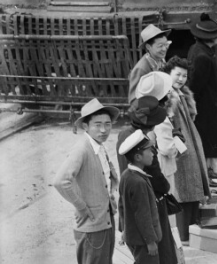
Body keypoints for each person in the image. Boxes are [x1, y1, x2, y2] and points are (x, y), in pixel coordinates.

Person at [117, 78, 177, 264]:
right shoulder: (143, 143)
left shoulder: (123, 135)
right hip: (151, 203)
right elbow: (157, 176)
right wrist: (166, 187)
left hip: (131, 208)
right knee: (161, 253)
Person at [54, 99, 120, 264]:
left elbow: (105, 177)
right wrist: (81, 207)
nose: (103, 130)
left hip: (104, 221)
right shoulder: (82, 149)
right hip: (92, 226)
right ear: (86, 127)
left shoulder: (99, 146)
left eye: (108, 124)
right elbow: (61, 181)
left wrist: (110, 196)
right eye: (97, 125)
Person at [161, 56, 211, 244]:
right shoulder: (167, 96)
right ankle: (183, 233)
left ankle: (191, 228)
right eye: (177, 75)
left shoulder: (182, 93)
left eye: (184, 76)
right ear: (168, 74)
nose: (181, 79)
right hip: (179, 145)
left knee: (192, 185)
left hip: (189, 141)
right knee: (182, 187)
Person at [187, 13, 217, 173]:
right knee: (210, 139)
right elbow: (195, 86)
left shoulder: (195, 49)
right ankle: (208, 170)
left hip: (205, 104)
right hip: (207, 106)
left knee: (207, 138)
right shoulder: (203, 57)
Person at [118, 130, 162, 264]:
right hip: (143, 240)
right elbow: (143, 214)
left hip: (134, 237)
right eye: (149, 150)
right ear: (138, 157)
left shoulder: (127, 175)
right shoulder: (138, 182)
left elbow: (122, 206)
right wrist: (150, 241)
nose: (153, 153)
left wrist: (124, 230)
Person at [129, 25, 171, 102]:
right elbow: (133, 99)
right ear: (148, 47)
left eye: (166, 44)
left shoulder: (161, 60)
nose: (164, 49)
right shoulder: (141, 69)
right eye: (160, 46)